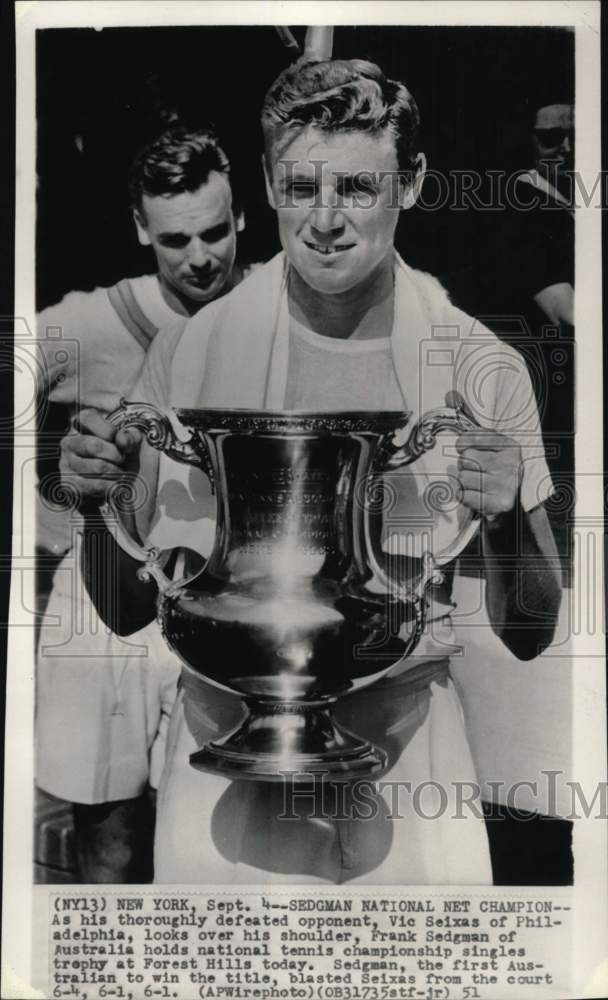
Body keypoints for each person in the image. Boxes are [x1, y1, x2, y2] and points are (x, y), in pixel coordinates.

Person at [61, 57, 562, 884]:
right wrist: (94, 504)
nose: (326, 221)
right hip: (223, 756)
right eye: (300, 188)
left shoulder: (482, 365)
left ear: (413, 182)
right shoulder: (190, 351)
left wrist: (507, 518)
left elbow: (532, 631)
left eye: (359, 189)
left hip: (411, 754)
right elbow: (123, 612)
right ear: (265, 181)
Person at [36, 124, 250, 882]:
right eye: (175, 239)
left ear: (240, 216)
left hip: (222, 590)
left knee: (213, 832)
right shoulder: (89, 322)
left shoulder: (273, 308)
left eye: (215, 232)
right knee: (110, 828)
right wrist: (51, 504)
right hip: (105, 595)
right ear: (140, 230)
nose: (200, 257)